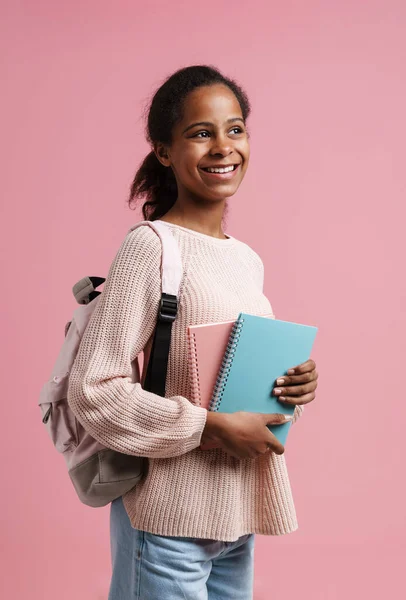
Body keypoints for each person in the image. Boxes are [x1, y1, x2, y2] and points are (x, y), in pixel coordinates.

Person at [68, 64, 318, 600]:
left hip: (236, 517)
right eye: (201, 133)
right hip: (168, 520)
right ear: (164, 151)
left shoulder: (246, 259)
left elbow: (231, 378)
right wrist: (206, 427)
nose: (223, 147)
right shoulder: (151, 247)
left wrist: (292, 386)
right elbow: (92, 391)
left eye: (235, 129)